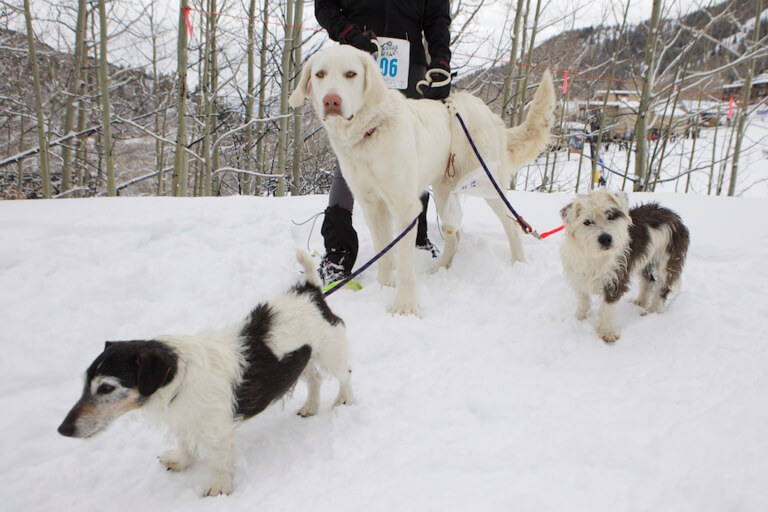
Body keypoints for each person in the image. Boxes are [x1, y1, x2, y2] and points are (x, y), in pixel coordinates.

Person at [314, 0, 452, 286]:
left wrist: (440, 60)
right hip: (357, 60)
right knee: (351, 155)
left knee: (412, 153)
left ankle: (418, 236)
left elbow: (437, 15)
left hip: (410, 63)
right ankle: (338, 249)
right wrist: (350, 33)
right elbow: (325, 6)